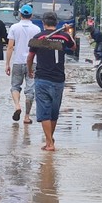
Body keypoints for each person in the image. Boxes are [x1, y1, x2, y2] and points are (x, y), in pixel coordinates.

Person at [27, 12, 76, 151]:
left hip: (42, 78)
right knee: (54, 112)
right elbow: (73, 47)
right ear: (57, 23)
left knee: (45, 113)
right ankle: (50, 140)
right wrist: (68, 32)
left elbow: (30, 57)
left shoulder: (39, 37)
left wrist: (30, 70)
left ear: (43, 23)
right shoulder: (64, 36)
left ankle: (49, 143)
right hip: (58, 80)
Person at [5, 4, 41, 124]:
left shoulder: (14, 28)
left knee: (15, 86)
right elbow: (39, 48)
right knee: (30, 90)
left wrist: (7, 64)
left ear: (20, 14)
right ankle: (26, 117)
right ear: (31, 15)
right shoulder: (36, 29)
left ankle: (17, 106)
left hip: (18, 62)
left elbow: (10, 47)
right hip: (33, 62)